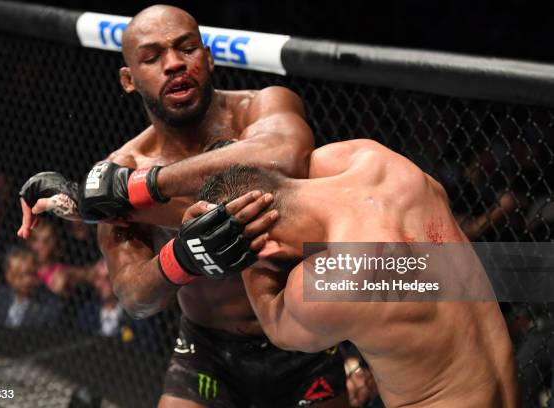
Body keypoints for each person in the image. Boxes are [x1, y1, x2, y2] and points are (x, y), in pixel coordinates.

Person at [17, 5, 351, 407]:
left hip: (306, 341)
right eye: (153, 57)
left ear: (208, 58)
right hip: (208, 351)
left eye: (186, 48)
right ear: (128, 80)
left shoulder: (262, 108)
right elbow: (132, 296)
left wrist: (142, 189)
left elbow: (283, 155)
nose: (174, 64)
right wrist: (182, 258)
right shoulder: (119, 171)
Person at [192, 139, 519, 407]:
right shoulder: (372, 159)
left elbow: (275, 326)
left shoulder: (334, 283)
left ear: (267, 249)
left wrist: (241, 257)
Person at [0, 246, 63, 329]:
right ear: (8, 276)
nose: (26, 280)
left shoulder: (51, 305)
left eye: (30, 273)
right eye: (19, 275)